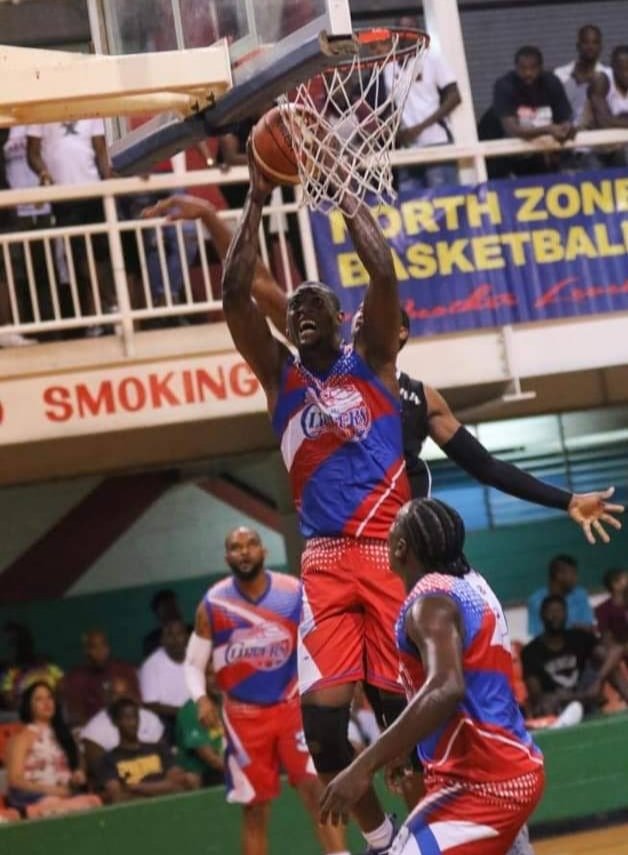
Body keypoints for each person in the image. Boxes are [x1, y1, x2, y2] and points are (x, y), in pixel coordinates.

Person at [142, 194, 624, 552]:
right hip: (341, 540)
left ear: (397, 335)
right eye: (355, 318)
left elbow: (486, 466)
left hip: (406, 537)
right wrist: (210, 217)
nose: (360, 320)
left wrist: (564, 500)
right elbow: (261, 283)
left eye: (374, 320)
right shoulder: (325, 363)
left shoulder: (421, 398)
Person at [219, 139, 411, 854]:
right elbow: (237, 294)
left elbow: (382, 267)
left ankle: (430, 834)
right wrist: (257, 194)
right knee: (324, 731)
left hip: (391, 550)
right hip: (327, 560)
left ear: (344, 318)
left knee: (403, 723)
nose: (299, 310)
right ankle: (386, 841)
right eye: (292, 306)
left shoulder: (379, 364)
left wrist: (339, 181)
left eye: (313, 304)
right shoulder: (281, 380)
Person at [320, 498, 545, 854]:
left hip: (486, 783)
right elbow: (463, 685)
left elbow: (446, 687)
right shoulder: (469, 586)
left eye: (392, 526)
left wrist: (363, 765)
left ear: (401, 547)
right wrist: (405, 746)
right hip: (485, 769)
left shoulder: (430, 603)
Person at [183, 525, 348, 855]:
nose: (244, 551)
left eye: (251, 544)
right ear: (226, 556)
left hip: (293, 708)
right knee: (255, 809)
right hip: (243, 717)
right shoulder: (214, 603)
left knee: (317, 792)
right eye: (236, 546)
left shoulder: (292, 592)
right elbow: (191, 663)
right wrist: (201, 699)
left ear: (264, 552)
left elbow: (319, 644)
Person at [26, 119, 114, 331]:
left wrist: (109, 179)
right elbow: (33, 153)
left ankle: (96, 321)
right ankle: (112, 303)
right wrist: (43, 173)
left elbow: (101, 149)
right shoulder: (41, 110)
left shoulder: (89, 109)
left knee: (99, 257)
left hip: (93, 190)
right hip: (63, 195)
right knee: (79, 257)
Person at [383, 17, 461, 190]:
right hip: (407, 146)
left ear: (419, 34)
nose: (407, 35)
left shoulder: (432, 58)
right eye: (402, 31)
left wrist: (420, 127)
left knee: (444, 200)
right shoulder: (389, 67)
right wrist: (395, 132)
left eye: (411, 30)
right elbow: (391, 108)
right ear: (396, 34)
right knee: (412, 205)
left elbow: (455, 96)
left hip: (437, 141)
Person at [522, 594, 628, 718]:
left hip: (584, 693)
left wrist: (598, 681)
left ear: (566, 614)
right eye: (551, 612)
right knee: (545, 702)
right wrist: (570, 698)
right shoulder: (531, 651)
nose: (556, 616)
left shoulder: (579, 637)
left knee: (607, 664)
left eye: (560, 611)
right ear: (542, 616)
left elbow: (616, 650)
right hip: (558, 703)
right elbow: (536, 694)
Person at [6, 681, 101, 819]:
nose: (46, 702)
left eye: (49, 697)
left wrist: (77, 775)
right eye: (39, 699)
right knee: (57, 805)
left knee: (93, 801)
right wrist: (53, 791)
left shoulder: (63, 735)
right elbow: (15, 780)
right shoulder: (22, 738)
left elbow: (77, 767)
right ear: (28, 706)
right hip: (32, 796)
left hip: (65, 793)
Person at [484, 46, 575, 177]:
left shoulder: (552, 82)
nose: (528, 73)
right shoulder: (504, 85)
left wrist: (566, 127)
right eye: (523, 69)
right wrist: (548, 129)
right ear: (515, 68)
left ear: (541, 68)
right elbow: (513, 130)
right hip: (500, 150)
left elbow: (564, 118)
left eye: (533, 68)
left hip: (535, 152)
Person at [96, 697, 196, 803]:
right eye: (127, 718)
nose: (133, 723)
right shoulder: (108, 760)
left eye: (135, 717)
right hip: (135, 813)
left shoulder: (159, 748)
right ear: (116, 722)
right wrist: (162, 788)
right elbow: (117, 797)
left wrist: (136, 787)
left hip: (169, 805)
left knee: (191, 778)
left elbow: (176, 782)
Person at [81, 675, 164, 784]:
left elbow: (164, 757)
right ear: (106, 697)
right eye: (115, 694)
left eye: (124, 694)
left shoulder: (151, 719)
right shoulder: (93, 730)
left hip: (157, 782)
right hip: (121, 787)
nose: (120, 699)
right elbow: (101, 775)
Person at [63, 628, 140, 726]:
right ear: (86, 651)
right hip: (95, 731)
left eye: (104, 645)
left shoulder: (124, 670)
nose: (100, 651)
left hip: (128, 726)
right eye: (94, 647)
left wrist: (121, 696)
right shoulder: (77, 678)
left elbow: (138, 703)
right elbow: (75, 716)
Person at [139, 618, 190, 742]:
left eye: (179, 634)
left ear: (187, 637)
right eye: (169, 635)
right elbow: (151, 706)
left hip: (200, 715)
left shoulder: (197, 656)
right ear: (162, 640)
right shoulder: (151, 665)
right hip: (169, 721)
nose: (175, 639)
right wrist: (185, 714)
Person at [175, 666, 224, 788]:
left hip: (228, 767)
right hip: (206, 775)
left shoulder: (227, 703)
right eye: (210, 675)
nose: (217, 679)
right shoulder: (192, 710)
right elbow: (212, 760)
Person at [0, 622, 63, 711]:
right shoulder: (9, 675)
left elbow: (63, 691)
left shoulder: (49, 668)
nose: (15, 647)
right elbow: (10, 702)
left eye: (18, 642)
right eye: (11, 644)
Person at [527, 555, 595, 637]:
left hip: (579, 643)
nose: (576, 578)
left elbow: (587, 627)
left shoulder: (580, 595)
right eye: (573, 574)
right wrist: (573, 627)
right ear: (559, 575)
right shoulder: (536, 600)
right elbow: (538, 633)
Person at [554, 25, 608, 128]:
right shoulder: (560, 74)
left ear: (601, 47)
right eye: (585, 42)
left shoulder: (608, 76)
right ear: (577, 46)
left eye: (595, 42)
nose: (590, 47)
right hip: (566, 136)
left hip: (597, 137)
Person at [588, 45, 628, 167]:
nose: (627, 74)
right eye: (624, 70)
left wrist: (616, 121)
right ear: (613, 67)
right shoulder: (601, 80)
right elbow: (603, 123)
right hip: (596, 149)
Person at [142, 588, 186, 657]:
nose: (172, 612)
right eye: (167, 609)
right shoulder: (151, 642)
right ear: (158, 614)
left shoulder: (193, 632)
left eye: (174, 606)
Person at [595, 568, 628, 654]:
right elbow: (606, 636)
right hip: (617, 649)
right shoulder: (603, 609)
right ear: (615, 585)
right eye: (625, 580)